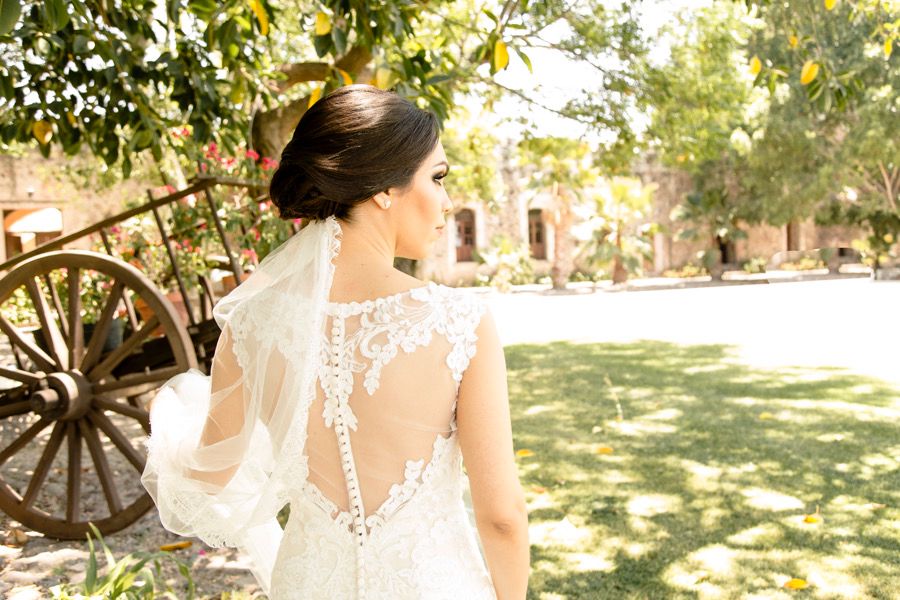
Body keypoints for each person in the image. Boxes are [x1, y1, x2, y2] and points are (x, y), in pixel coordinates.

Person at [141, 84, 529, 599]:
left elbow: (208, 477)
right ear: (384, 189)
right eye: (437, 178)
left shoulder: (252, 324)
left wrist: (169, 424)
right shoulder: (460, 322)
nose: (447, 201)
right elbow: (501, 515)